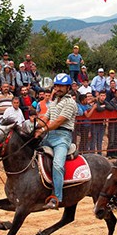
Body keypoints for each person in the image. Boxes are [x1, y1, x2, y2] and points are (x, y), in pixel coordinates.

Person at [35, 73, 77, 210]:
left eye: (62, 86)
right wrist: (33, 125)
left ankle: (56, 197)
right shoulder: (53, 102)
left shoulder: (70, 102)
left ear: (68, 88)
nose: (58, 88)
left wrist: (42, 130)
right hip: (49, 135)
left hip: (62, 137)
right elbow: (45, 118)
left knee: (58, 165)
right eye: (57, 85)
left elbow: (58, 121)